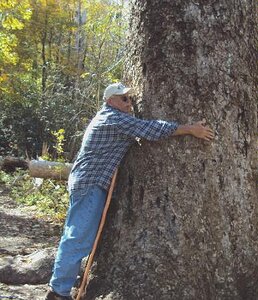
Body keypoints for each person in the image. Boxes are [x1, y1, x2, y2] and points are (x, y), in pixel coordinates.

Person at [45, 82, 214, 300]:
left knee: (77, 235)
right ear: (110, 101)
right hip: (90, 183)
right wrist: (190, 129)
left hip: (88, 182)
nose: (129, 103)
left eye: (130, 98)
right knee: (77, 237)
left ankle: (59, 287)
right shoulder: (113, 118)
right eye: (124, 98)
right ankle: (58, 291)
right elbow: (152, 130)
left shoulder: (114, 118)